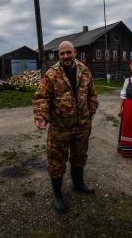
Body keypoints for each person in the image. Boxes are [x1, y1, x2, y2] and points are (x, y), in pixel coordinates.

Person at [32, 41, 99, 213]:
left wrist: (90, 112)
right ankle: (58, 195)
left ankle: (78, 184)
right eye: (62, 54)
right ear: (58, 55)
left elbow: (92, 93)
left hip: (82, 125)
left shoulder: (84, 70)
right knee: (56, 161)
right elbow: (41, 97)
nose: (65, 56)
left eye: (68, 52)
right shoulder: (51, 74)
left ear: (75, 52)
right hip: (60, 128)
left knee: (79, 156)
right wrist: (41, 116)